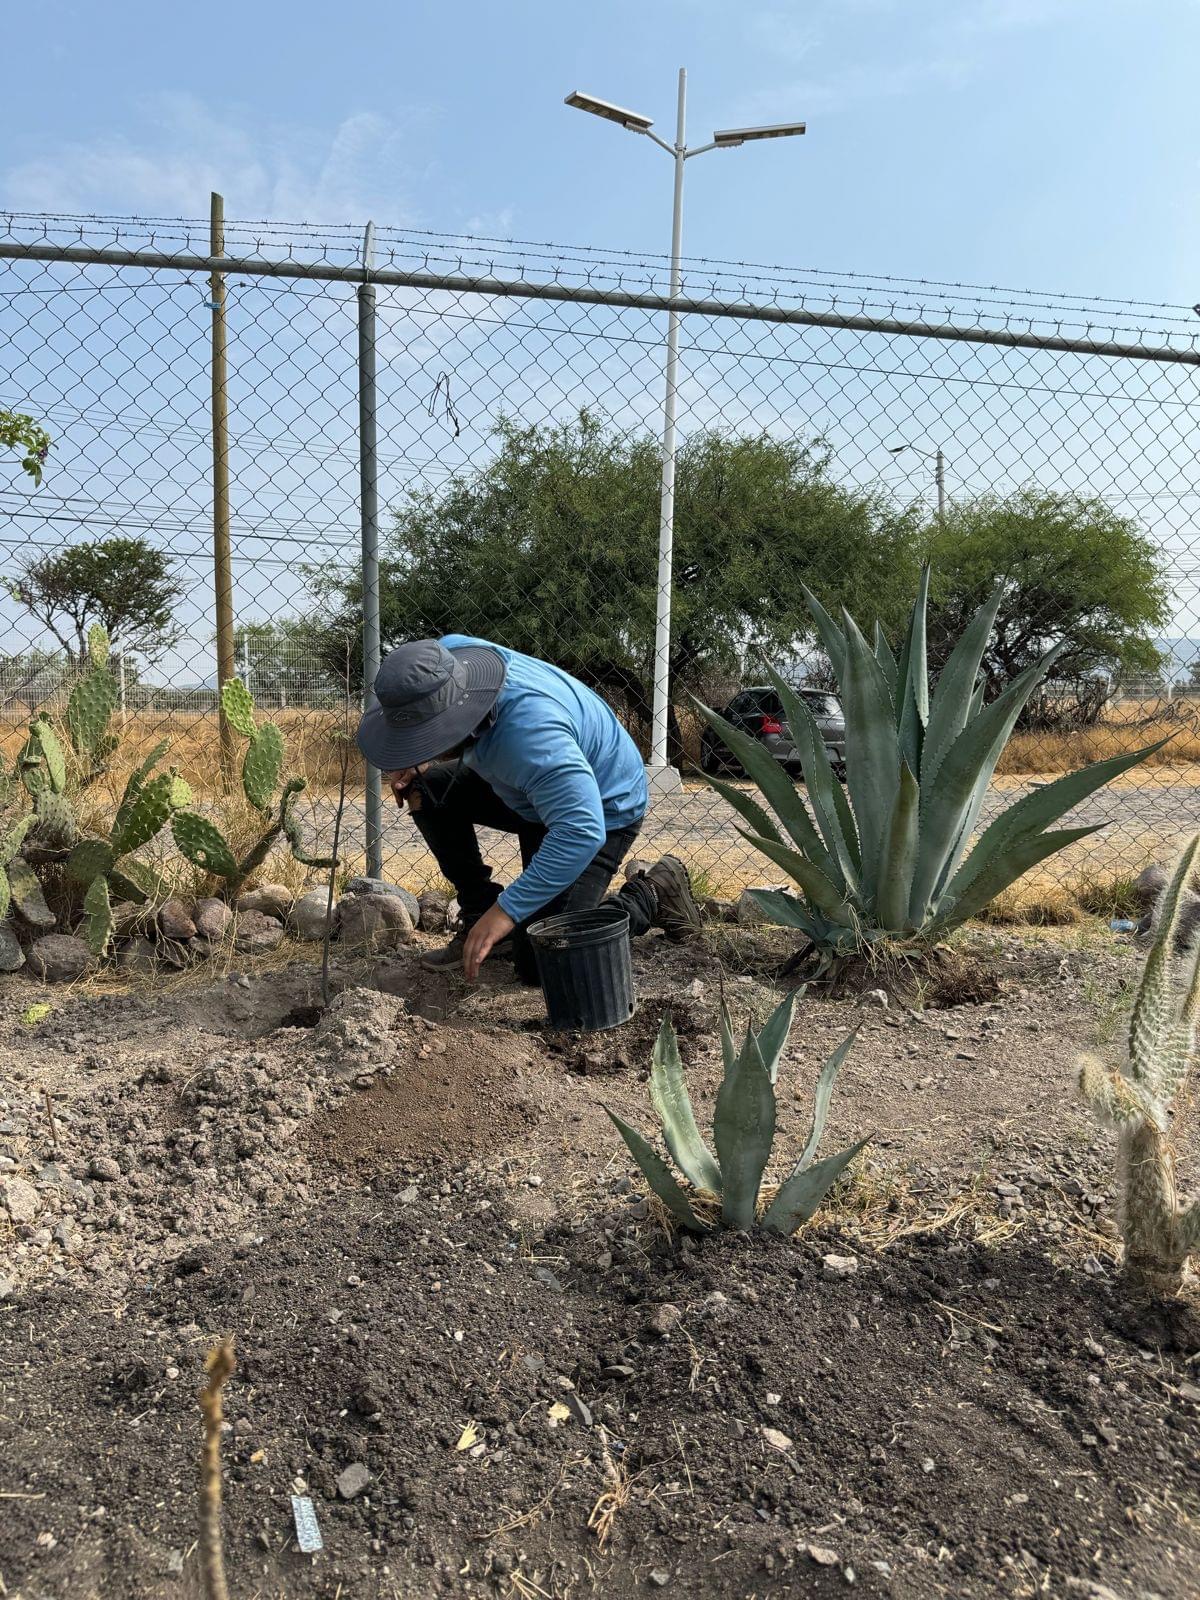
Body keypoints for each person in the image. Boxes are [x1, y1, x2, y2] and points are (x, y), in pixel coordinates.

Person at [355, 635, 701, 982]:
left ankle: (652, 893)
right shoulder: (445, 660)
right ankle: (479, 912)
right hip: (529, 792)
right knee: (425, 787)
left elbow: (581, 830)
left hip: (602, 807)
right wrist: (414, 758)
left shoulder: (530, 736)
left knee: (545, 961)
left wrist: (506, 911)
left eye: (425, 737)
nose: (420, 745)